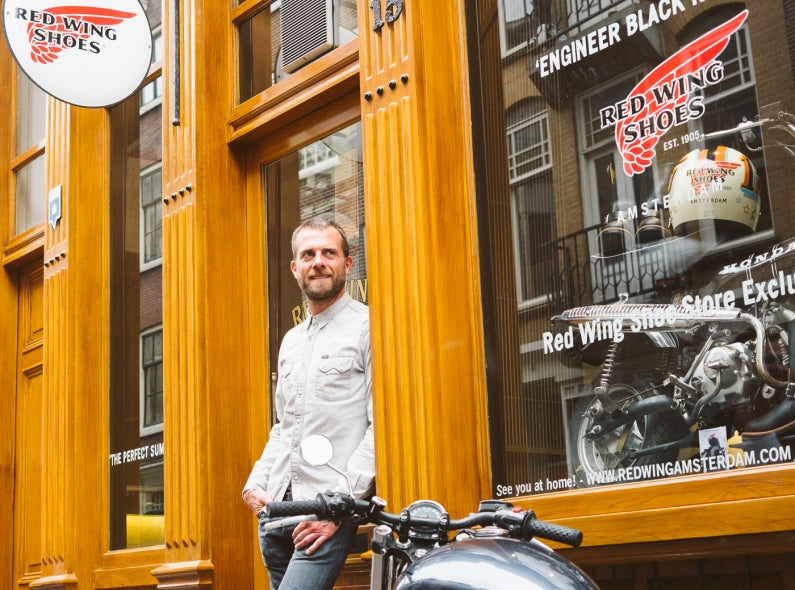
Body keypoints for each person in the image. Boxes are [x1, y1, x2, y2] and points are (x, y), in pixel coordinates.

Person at [243, 217, 375, 590]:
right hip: (275, 518)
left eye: (328, 253)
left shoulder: (369, 327)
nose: (318, 261)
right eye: (308, 254)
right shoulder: (291, 341)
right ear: (295, 268)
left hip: (323, 518)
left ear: (348, 263)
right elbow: (284, 426)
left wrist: (340, 507)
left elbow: (380, 426)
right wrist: (255, 485)